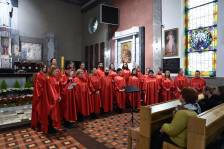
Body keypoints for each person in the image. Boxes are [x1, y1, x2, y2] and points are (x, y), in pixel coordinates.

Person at [31, 64, 48, 132]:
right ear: (41, 68)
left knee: (42, 110)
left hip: (44, 95)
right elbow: (38, 86)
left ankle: (42, 124)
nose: (45, 68)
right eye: (44, 67)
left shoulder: (44, 74)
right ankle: (37, 125)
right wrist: (43, 91)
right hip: (39, 96)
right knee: (38, 110)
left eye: (46, 67)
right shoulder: (38, 75)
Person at [46, 65, 62, 133]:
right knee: (51, 112)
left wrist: (59, 95)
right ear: (52, 71)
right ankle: (50, 128)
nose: (56, 73)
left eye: (57, 71)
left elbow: (57, 89)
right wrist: (56, 97)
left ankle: (53, 126)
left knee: (55, 113)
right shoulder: (49, 78)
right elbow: (50, 90)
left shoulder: (54, 78)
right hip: (51, 99)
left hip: (55, 98)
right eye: (55, 71)